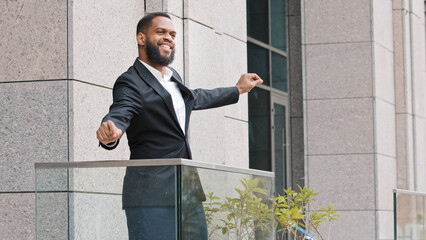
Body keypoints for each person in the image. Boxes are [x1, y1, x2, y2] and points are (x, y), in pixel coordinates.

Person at [96, 12, 263, 240]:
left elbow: (195, 97)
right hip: (150, 197)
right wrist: (112, 130)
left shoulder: (173, 77)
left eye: (172, 34)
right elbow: (122, 108)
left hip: (187, 193)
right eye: (161, 32)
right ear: (141, 38)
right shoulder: (130, 81)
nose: (169, 38)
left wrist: (237, 89)